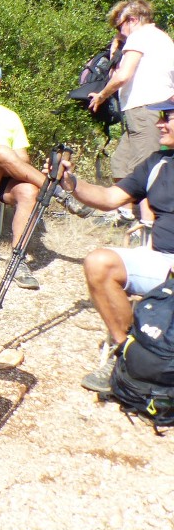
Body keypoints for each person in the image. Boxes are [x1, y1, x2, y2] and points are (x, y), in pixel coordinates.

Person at [54, 97, 174, 394]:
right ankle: (128, 354)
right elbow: (109, 198)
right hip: (161, 261)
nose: (160, 123)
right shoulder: (157, 163)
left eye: (167, 117)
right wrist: (71, 183)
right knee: (99, 262)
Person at [0, 58, 91, 290]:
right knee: (0, 151)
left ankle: (18, 261)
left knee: (29, 191)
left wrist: (2, 160)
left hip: (2, 179)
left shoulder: (10, 117)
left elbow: (23, 160)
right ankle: (58, 192)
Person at [89, 0, 174, 221]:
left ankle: (147, 225)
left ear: (133, 19)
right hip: (145, 109)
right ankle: (124, 212)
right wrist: (116, 46)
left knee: (144, 166)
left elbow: (123, 75)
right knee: (121, 160)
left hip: (146, 109)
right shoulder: (161, 38)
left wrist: (101, 95)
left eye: (119, 27)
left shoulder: (140, 36)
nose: (119, 32)